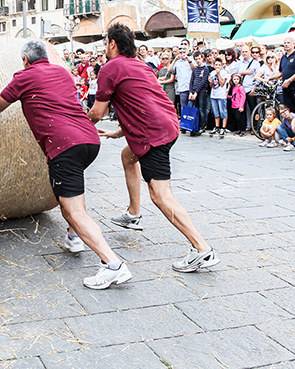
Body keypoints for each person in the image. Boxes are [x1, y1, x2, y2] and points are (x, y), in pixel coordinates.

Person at [0, 39, 130, 289]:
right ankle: (74, 237)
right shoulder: (62, 72)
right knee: (73, 195)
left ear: (25, 60)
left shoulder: (24, 76)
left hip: (64, 145)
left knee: (72, 210)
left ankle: (112, 265)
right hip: (89, 141)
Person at [88, 24, 218, 273]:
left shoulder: (109, 68)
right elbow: (142, 103)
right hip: (168, 125)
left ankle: (202, 249)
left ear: (112, 44)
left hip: (153, 134)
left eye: (106, 43)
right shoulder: (139, 65)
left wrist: (72, 123)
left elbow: (96, 112)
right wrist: (118, 132)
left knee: (160, 195)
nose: (105, 48)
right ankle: (133, 214)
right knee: (128, 155)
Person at [188, 51, 211, 136]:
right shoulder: (195, 70)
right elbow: (191, 81)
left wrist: (196, 92)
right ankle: (195, 126)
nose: (198, 61)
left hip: (201, 91)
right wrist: (191, 92)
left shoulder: (205, 69)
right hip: (194, 91)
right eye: (196, 59)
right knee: (195, 109)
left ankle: (202, 126)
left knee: (202, 109)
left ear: (202, 58)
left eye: (199, 59)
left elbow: (203, 82)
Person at [208, 57, 229, 136]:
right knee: (215, 112)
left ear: (222, 66)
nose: (217, 66)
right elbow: (212, 85)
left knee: (223, 111)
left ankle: (223, 127)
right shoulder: (212, 73)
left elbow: (222, 83)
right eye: (216, 65)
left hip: (221, 95)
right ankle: (217, 126)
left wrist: (219, 74)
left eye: (219, 65)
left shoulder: (224, 73)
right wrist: (210, 82)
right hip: (213, 94)